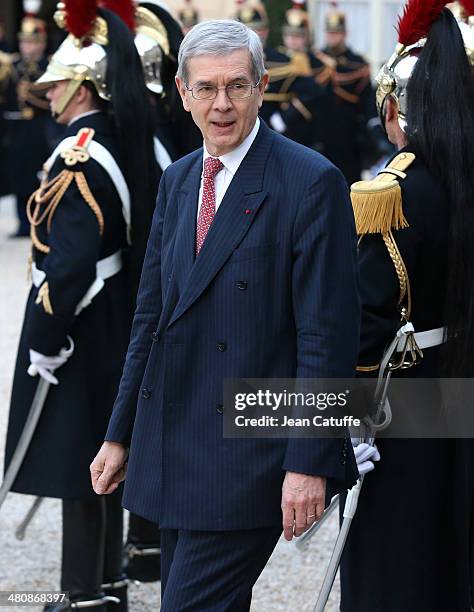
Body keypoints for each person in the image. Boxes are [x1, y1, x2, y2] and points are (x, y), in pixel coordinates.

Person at [90, 18, 360, 611]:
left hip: (251, 451)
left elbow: (327, 336)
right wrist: (120, 433)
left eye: (237, 86)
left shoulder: (311, 182)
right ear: (182, 93)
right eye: (206, 89)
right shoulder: (179, 180)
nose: (222, 105)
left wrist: (309, 463)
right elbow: (151, 321)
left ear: (262, 86)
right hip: (176, 441)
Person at [3, 0, 157, 609]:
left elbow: (67, 265)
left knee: (80, 460)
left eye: (59, 84)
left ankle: (84, 591)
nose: (48, 94)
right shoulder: (118, 141)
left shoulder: (80, 154)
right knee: (104, 451)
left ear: (85, 87)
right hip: (113, 317)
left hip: (84, 326)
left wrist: (45, 336)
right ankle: (108, 583)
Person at [339, 1, 474, 610]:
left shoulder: (395, 187)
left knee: (397, 557)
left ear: (397, 105)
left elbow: (367, 316)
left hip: (411, 395)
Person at [235, 1, 323, 146]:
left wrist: (284, 117)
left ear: (265, 31)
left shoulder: (285, 60)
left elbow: (310, 91)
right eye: (247, 30)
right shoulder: (231, 63)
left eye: (257, 29)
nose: (252, 35)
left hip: (276, 128)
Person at [1, 15, 53, 237]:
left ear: (41, 43)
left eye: (32, 42)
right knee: (18, 176)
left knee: (40, 178)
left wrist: (31, 93)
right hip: (18, 129)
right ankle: (22, 222)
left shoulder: (50, 66)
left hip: (40, 129)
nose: (27, 47)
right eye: (24, 42)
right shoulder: (11, 66)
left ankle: (39, 223)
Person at [320, 2, 377, 185]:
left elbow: (367, 103)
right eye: (330, 33)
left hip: (349, 135)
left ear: (344, 33)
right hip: (321, 136)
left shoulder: (357, 62)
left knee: (349, 185)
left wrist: (366, 135)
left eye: (336, 33)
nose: (333, 37)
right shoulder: (315, 60)